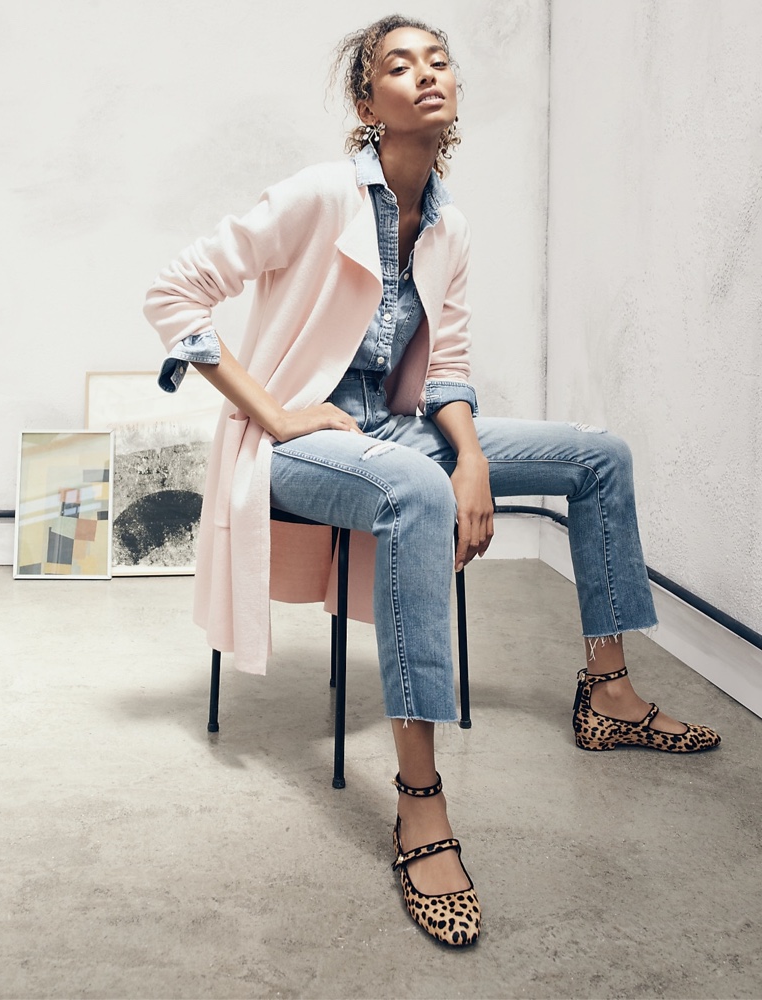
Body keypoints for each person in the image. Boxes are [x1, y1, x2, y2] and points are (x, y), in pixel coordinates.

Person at [144, 14, 720, 948]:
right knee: (415, 490)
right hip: (297, 449)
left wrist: (475, 458)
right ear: (366, 100)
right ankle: (421, 802)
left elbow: (445, 364)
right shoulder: (319, 195)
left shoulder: (448, 223)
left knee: (597, 456)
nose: (426, 75)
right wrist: (276, 412)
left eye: (438, 60)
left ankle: (609, 694)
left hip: (395, 428)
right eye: (399, 65)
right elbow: (172, 294)